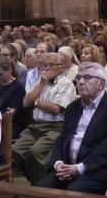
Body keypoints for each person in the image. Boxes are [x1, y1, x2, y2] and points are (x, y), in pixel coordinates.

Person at [36, 62, 107, 193]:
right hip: (67, 166)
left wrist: (80, 168)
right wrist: (58, 164)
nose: (81, 82)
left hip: (95, 169)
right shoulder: (72, 107)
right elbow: (62, 138)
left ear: (101, 84)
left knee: (74, 193)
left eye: (87, 77)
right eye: (78, 78)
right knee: (41, 189)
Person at [13, 53, 76, 183]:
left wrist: (35, 102)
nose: (46, 68)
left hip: (55, 128)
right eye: (44, 65)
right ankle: (26, 180)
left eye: (51, 65)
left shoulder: (66, 84)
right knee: (15, 150)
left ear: (61, 67)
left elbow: (55, 109)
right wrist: (41, 84)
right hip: (35, 125)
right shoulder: (41, 82)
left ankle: (39, 183)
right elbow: (25, 103)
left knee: (36, 152)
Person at [0, 56, 26, 139]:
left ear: (9, 70)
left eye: (0, 74)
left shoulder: (18, 88)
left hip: (9, 126)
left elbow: (10, 114)